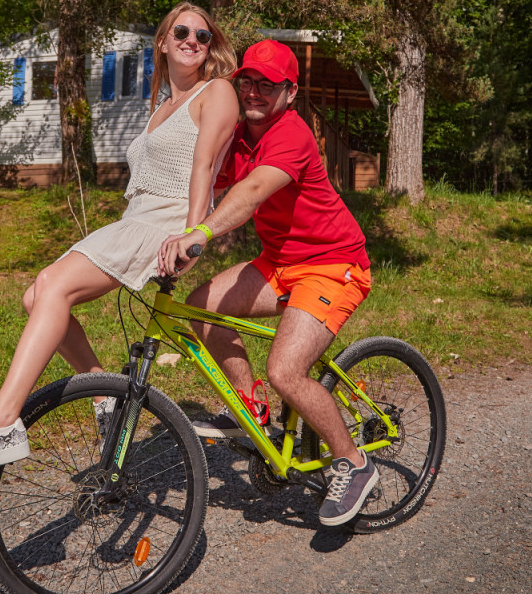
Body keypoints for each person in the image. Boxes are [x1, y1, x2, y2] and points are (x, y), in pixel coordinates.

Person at [0, 3, 239, 476]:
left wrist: (194, 235)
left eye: (203, 34)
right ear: (163, 41)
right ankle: (102, 390)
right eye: (182, 31)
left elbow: (203, 168)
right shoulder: (162, 107)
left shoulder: (217, 93)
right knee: (37, 296)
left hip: (165, 224)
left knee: (52, 283)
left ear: (210, 45)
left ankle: (0, 423)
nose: (193, 39)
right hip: (137, 217)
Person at [158, 39, 374, 527]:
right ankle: (253, 412)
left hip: (332, 264)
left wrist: (203, 233)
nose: (253, 92)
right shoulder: (239, 134)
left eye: (267, 85)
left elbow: (251, 192)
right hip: (279, 262)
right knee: (200, 309)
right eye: (247, 81)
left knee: (287, 371)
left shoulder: (292, 135)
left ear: (289, 92)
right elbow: (205, 180)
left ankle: (354, 464)